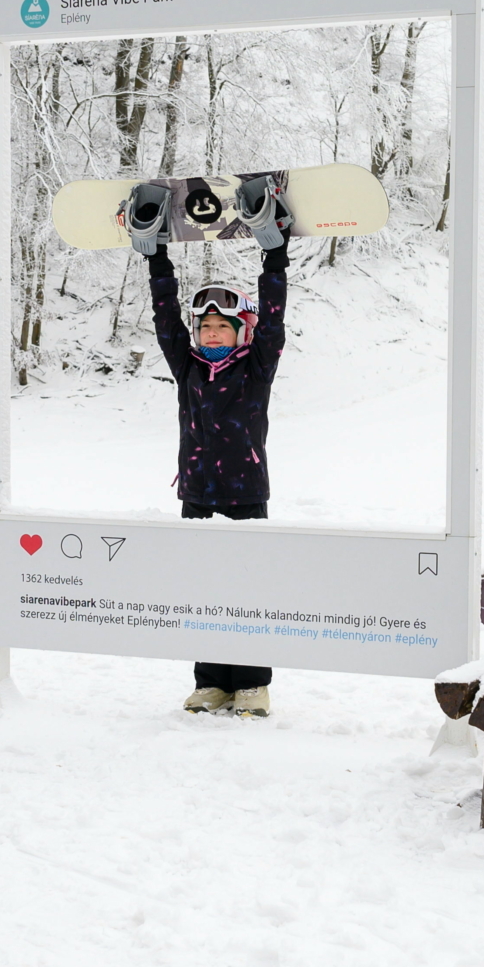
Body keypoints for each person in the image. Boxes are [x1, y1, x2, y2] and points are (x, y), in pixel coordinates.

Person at [141, 183, 290, 716]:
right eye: (203, 325)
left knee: (248, 589)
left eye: (219, 326)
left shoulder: (256, 369)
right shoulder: (188, 370)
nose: (209, 332)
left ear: (239, 330)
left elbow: (272, 322)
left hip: (246, 493)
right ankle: (212, 681)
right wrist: (156, 258)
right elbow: (165, 325)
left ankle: (251, 684)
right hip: (199, 495)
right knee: (202, 588)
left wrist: (274, 254)